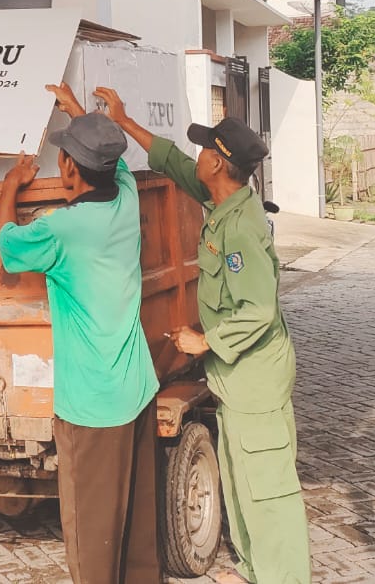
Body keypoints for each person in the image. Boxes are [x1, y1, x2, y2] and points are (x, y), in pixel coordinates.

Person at [97, 87, 310, 584]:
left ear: (217, 163)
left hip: (256, 380)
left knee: (269, 493)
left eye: (204, 150)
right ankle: (257, 572)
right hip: (238, 382)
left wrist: (206, 340)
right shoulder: (222, 200)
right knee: (238, 485)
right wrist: (124, 121)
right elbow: (171, 162)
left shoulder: (240, 230)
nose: (197, 155)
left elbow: (259, 307)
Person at [0, 83, 160, 584]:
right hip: (138, 392)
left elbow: (7, 246)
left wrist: (9, 187)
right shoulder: (126, 201)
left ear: (68, 169)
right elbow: (116, 165)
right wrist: (80, 113)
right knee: (136, 536)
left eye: (64, 157)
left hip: (93, 408)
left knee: (92, 541)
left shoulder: (62, 229)